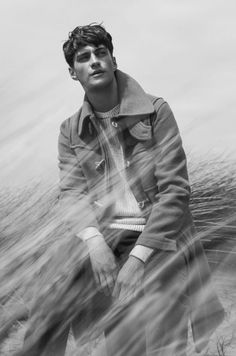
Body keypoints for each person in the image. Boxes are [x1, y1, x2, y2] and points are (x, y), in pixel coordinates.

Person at [22, 23, 224, 356]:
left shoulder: (156, 110)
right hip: (106, 233)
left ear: (113, 61)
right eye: (84, 57)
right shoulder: (70, 130)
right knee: (53, 283)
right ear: (74, 73)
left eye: (101, 53)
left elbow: (175, 192)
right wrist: (95, 242)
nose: (94, 61)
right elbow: (71, 194)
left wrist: (138, 259)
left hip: (157, 234)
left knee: (158, 310)